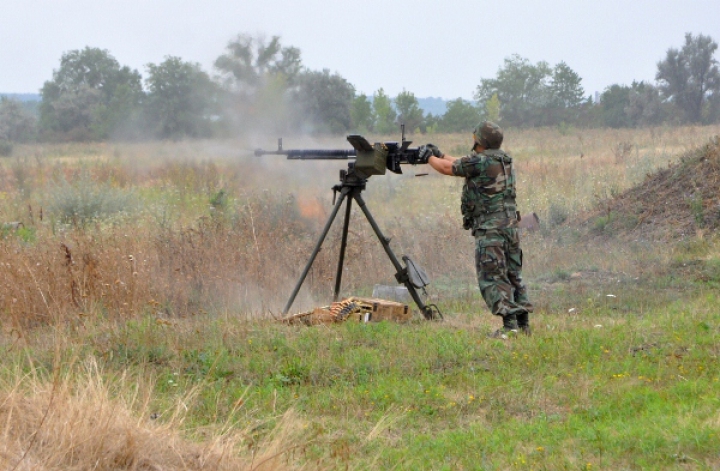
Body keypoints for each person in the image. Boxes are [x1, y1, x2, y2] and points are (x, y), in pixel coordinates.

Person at [418, 121, 533, 338]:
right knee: (513, 274)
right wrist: (440, 154)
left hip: (491, 231)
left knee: (493, 277)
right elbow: (462, 162)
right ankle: (523, 324)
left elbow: (448, 168)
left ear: (481, 141)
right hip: (510, 228)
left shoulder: (481, 162)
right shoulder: (502, 159)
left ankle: (510, 328)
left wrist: (428, 158)